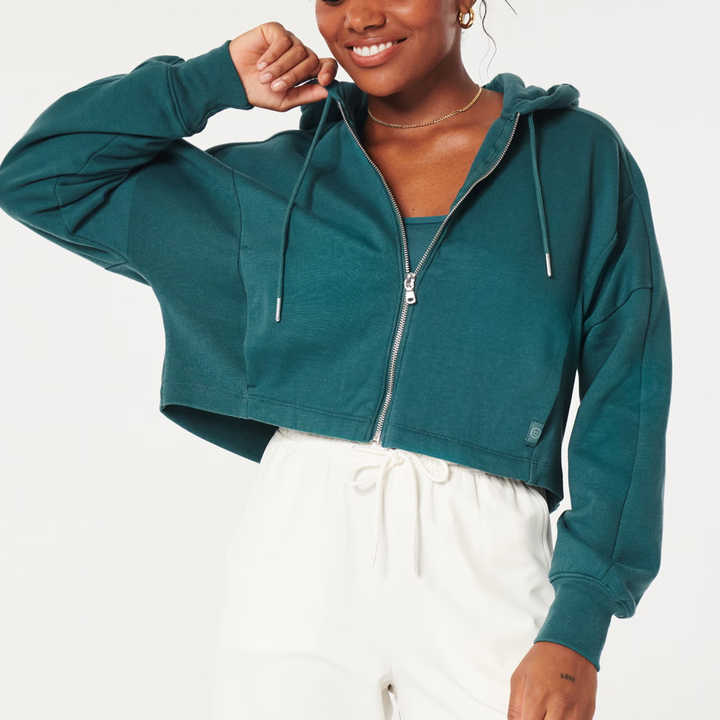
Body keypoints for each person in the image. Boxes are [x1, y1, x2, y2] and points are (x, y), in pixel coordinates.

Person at [0, 2, 672, 719]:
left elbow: (626, 394)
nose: (361, 16)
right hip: (299, 554)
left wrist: (579, 625)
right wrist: (208, 81)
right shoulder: (276, 181)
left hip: (489, 558)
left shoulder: (574, 159)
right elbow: (39, 177)